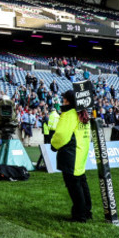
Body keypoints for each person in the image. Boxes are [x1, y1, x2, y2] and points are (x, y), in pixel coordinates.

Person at [50, 90, 92, 223]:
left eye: (64, 99)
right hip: (80, 153)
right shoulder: (83, 114)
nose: (62, 101)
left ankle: (79, 215)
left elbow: (61, 135)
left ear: (68, 100)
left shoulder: (69, 114)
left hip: (71, 154)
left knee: (74, 186)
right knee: (82, 183)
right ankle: (86, 211)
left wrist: (54, 145)